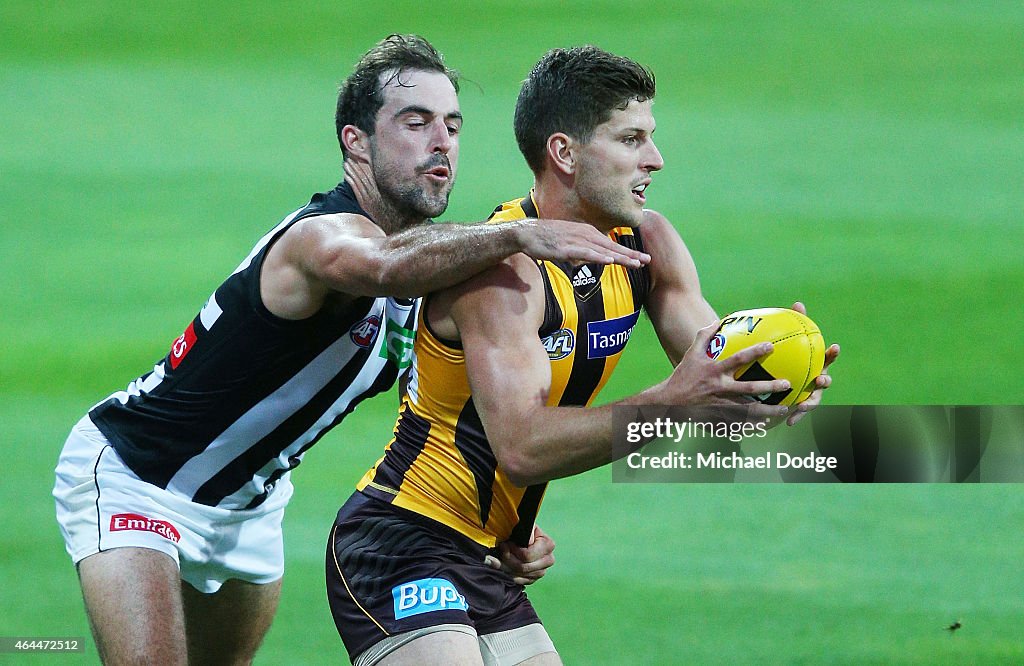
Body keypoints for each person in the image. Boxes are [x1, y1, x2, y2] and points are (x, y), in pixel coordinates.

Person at [52, 35, 649, 666]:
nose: (440, 142)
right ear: (355, 141)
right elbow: (384, 264)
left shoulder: (435, 264)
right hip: (137, 476)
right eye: (414, 123)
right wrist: (517, 233)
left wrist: (505, 525)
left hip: (248, 507)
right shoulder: (321, 239)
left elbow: (460, 416)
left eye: (452, 125)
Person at [326, 46, 840, 665]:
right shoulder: (501, 272)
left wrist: (767, 385)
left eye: (649, 137)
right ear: (564, 154)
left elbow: (714, 384)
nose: (655, 159)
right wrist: (673, 404)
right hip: (400, 539)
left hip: (489, 557)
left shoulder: (649, 244)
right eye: (630, 140)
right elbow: (523, 446)